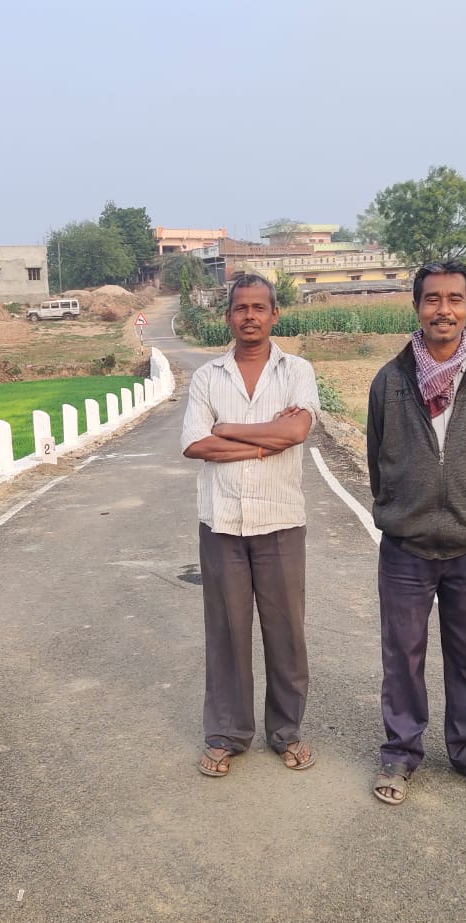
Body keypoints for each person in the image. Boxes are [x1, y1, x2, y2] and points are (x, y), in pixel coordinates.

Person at [365, 260, 466, 805]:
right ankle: (400, 752)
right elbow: (378, 461)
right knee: (402, 658)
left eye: (454, 299)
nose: (444, 310)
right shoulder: (390, 380)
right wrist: (403, 507)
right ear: (417, 306)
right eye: (432, 299)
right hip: (406, 547)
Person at [181, 273, 320, 778]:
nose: (250, 316)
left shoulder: (297, 371)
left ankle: (287, 732)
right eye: (241, 308)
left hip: (280, 521)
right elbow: (196, 444)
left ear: (274, 315)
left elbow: (296, 431)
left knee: (286, 635)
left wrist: (230, 430)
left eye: (260, 307)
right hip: (221, 523)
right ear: (228, 317)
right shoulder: (207, 376)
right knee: (226, 634)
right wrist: (266, 442)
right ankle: (226, 735)